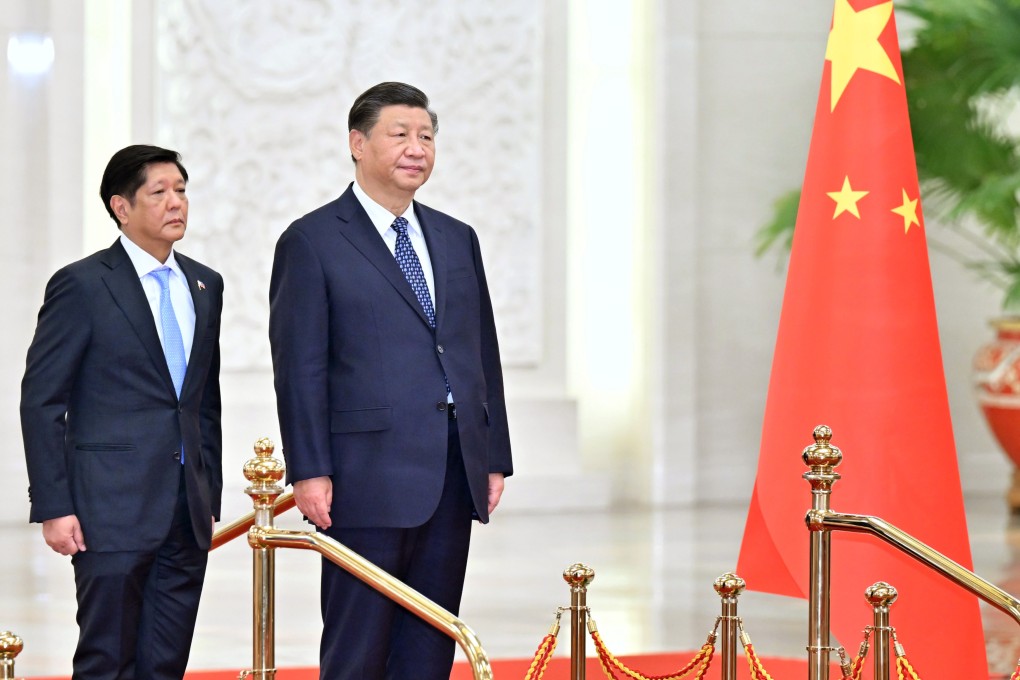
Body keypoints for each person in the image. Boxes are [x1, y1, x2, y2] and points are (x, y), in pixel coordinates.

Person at [269, 81, 513, 679]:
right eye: (399, 134)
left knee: (430, 643)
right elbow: (300, 368)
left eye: (426, 136)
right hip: (364, 475)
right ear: (358, 143)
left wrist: (493, 455)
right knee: (359, 643)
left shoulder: (456, 237)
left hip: (451, 470)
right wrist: (309, 469)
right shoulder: (312, 240)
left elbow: (481, 352)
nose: (416, 148)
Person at [20, 145, 224, 679]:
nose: (176, 202)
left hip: (185, 511)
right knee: (107, 660)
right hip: (108, 510)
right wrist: (54, 505)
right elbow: (42, 401)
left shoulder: (205, 284)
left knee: (166, 662)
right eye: (159, 192)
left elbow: (204, 400)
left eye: (181, 190)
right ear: (121, 206)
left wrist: (210, 492)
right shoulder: (83, 285)